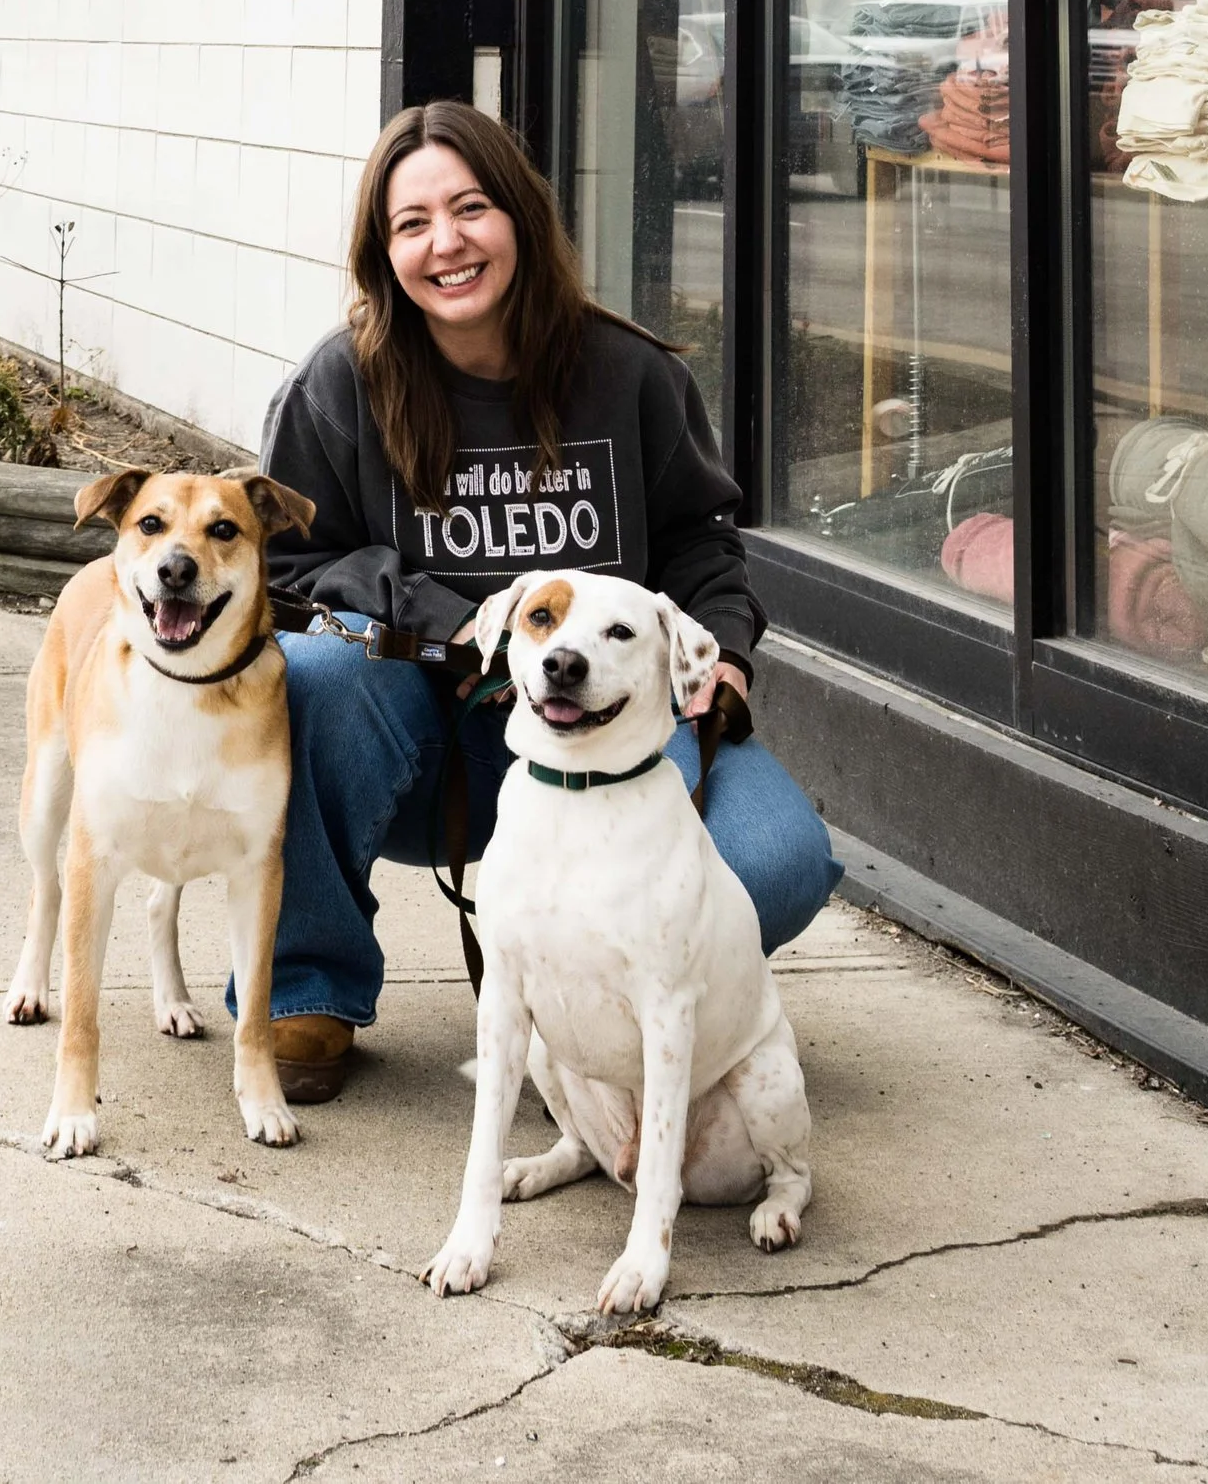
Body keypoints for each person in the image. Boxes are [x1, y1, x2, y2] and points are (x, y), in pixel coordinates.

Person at [254, 98, 839, 1103]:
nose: (446, 243)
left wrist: (726, 656)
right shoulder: (339, 386)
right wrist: (445, 625)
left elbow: (702, 539)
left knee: (778, 860)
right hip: (430, 751)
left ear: (520, 215)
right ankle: (307, 983)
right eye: (410, 223)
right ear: (379, 249)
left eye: (470, 207)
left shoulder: (630, 374)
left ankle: (604, 1011)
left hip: (622, 741)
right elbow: (287, 579)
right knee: (320, 671)